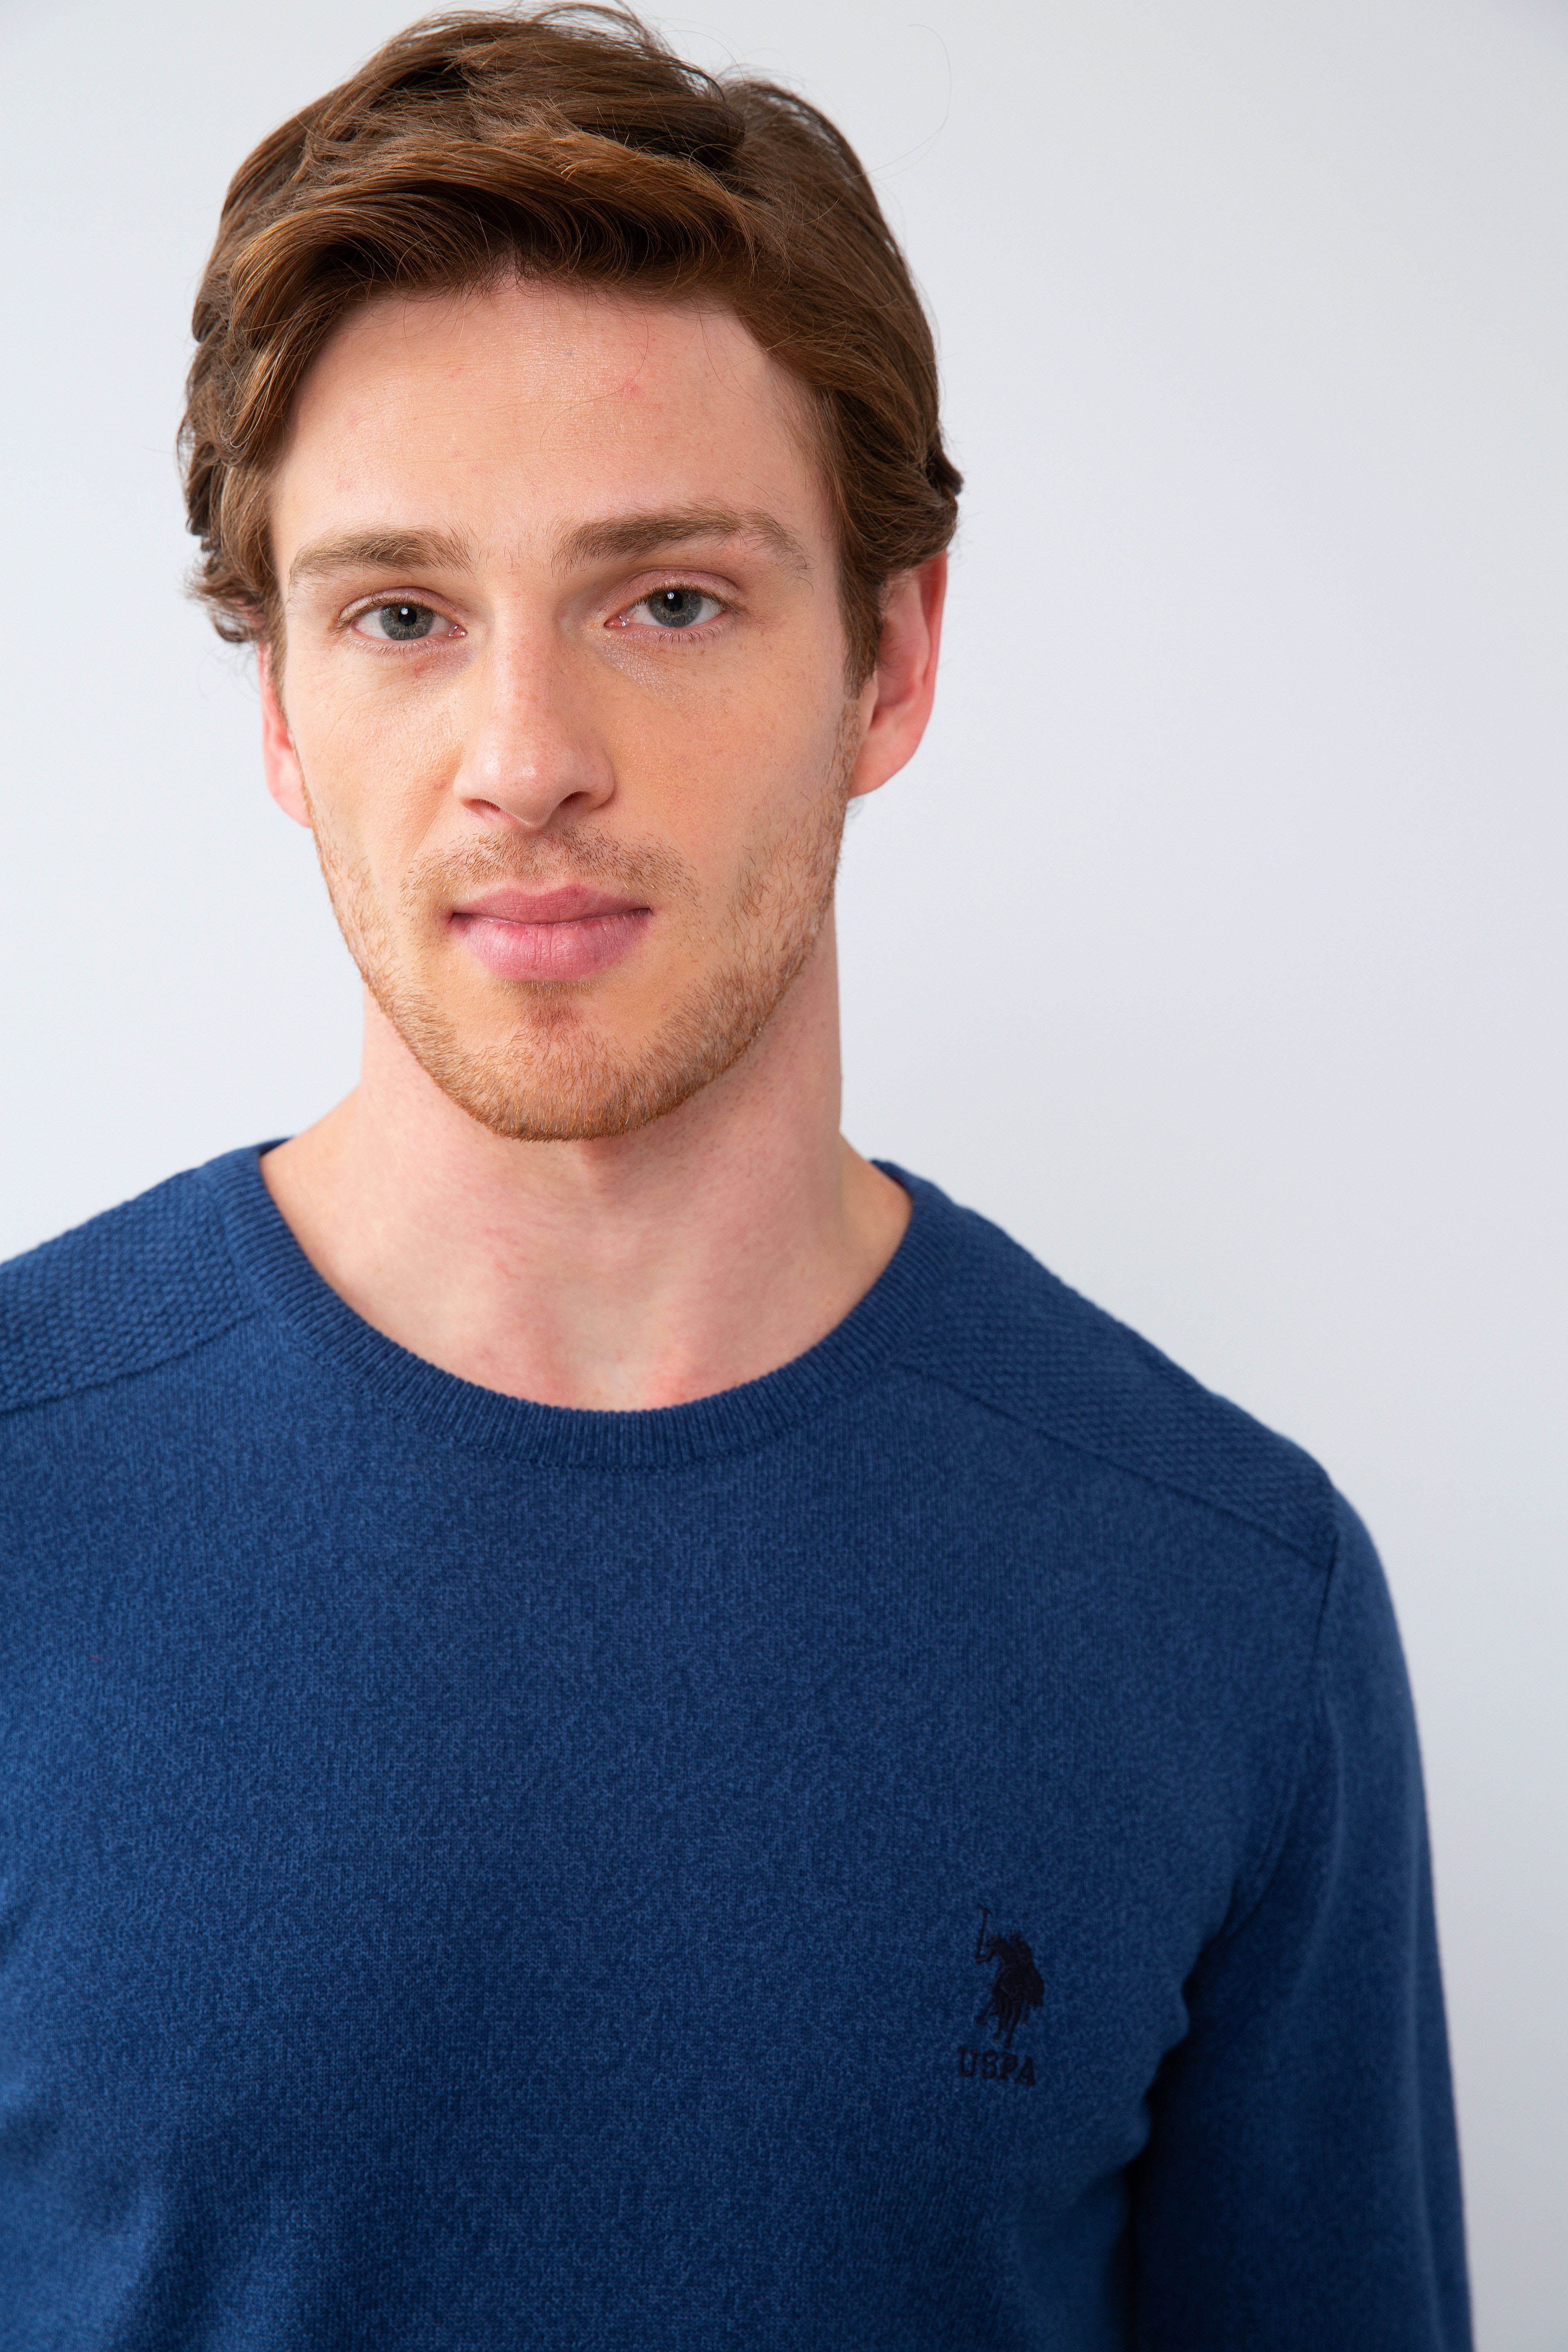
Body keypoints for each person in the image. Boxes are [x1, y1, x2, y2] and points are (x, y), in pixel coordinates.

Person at [0, 8, 1470, 2345]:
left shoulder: (1229, 1600)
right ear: (279, 704)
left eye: (667, 599)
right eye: (400, 614)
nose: (526, 759)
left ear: (890, 658)